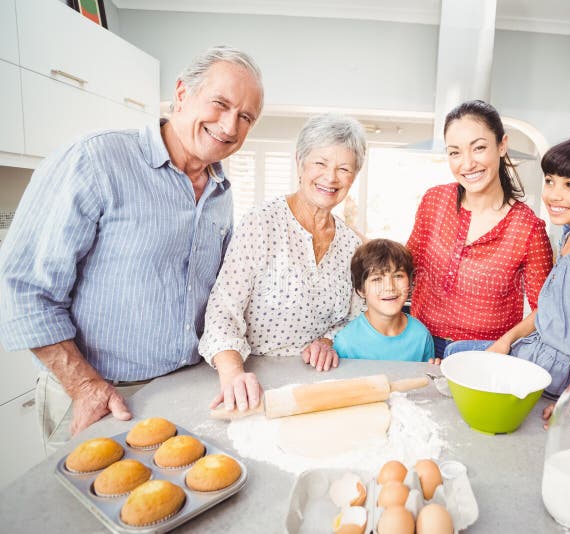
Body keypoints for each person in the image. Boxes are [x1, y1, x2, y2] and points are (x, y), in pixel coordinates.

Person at [0, 45, 264, 452]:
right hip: (99, 396)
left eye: (245, 116)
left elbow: (220, 297)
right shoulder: (95, 160)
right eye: (220, 104)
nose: (230, 125)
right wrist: (86, 386)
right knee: (86, 513)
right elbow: (22, 288)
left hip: (185, 389)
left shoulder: (221, 192)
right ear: (181, 94)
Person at [445, 134, 570, 396]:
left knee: (457, 362)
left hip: (560, 371)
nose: (554, 194)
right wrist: (506, 341)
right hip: (536, 350)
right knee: (455, 353)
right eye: (550, 181)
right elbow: (548, 311)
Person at [199, 113, 367, 413]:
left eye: (343, 168)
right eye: (320, 163)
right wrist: (233, 373)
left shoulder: (351, 245)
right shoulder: (261, 224)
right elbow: (222, 311)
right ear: (300, 163)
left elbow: (355, 318)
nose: (330, 177)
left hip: (319, 384)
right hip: (253, 382)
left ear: (353, 177)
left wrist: (327, 341)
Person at [407, 100, 554, 359]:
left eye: (479, 148)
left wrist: (505, 343)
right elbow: (406, 265)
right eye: (455, 152)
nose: (467, 164)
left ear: (502, 145)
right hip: (420, 345)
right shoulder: (434, 200)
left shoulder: (528, 228)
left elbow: (545, 308)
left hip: (483, 354)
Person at [333, 239, 435, 362]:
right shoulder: (346, 342)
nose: (389, 287)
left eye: (398, 276)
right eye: (377, 279)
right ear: (361, 290)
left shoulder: (421, 335)